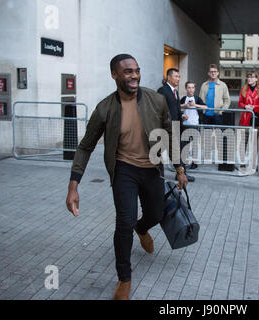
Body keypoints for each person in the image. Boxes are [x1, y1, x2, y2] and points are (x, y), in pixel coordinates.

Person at [65, 54, 188, 300]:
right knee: (124, 221)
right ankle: (124, 278)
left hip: (152, 167)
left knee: (156, 213)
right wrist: (73, 186)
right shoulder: (104, 108)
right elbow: (85, 146)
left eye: (136, 71)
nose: (134, 76)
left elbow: (170, 135)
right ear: (114, 75)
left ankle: (141, 229)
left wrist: (180, 168)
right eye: (127, 72)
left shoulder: (156, 100)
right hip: (124, 170)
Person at [157, 68, 195, 182]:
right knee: (163, 151)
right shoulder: (163, 91)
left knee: (178, 151)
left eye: (179, 76)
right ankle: (159, 175)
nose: (178, 79)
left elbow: (175, 109)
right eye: (176, 76)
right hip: (168, 127)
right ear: (169, 77)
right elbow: (160, 109)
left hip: (177, 126)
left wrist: (182, 115)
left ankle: (181, 173)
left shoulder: (175, 92)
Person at [238, 71, 259, 163]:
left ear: (256, 79)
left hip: (256, 118)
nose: (249, 79)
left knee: (254, 142)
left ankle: (253, 162)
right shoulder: (243, 89)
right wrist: (245, 106)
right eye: (248, 77)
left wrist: (255, 107)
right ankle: (242, 161)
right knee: (244, 142)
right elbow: (240, 102)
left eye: (252, 77)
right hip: (245, 118)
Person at [180, 81, 207, 169]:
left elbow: (206, 107)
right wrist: (183, 115)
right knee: (184, 144)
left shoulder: (197, 98)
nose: (191, 89)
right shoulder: (183, 98)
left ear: (195, 89)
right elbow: (178, 107)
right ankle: (183, 162)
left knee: (195, 144)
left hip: (195, 124)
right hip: (185, 125)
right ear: (186, 88)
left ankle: (194, 163)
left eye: (192, 87)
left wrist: (194, 105)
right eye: (189, 87)